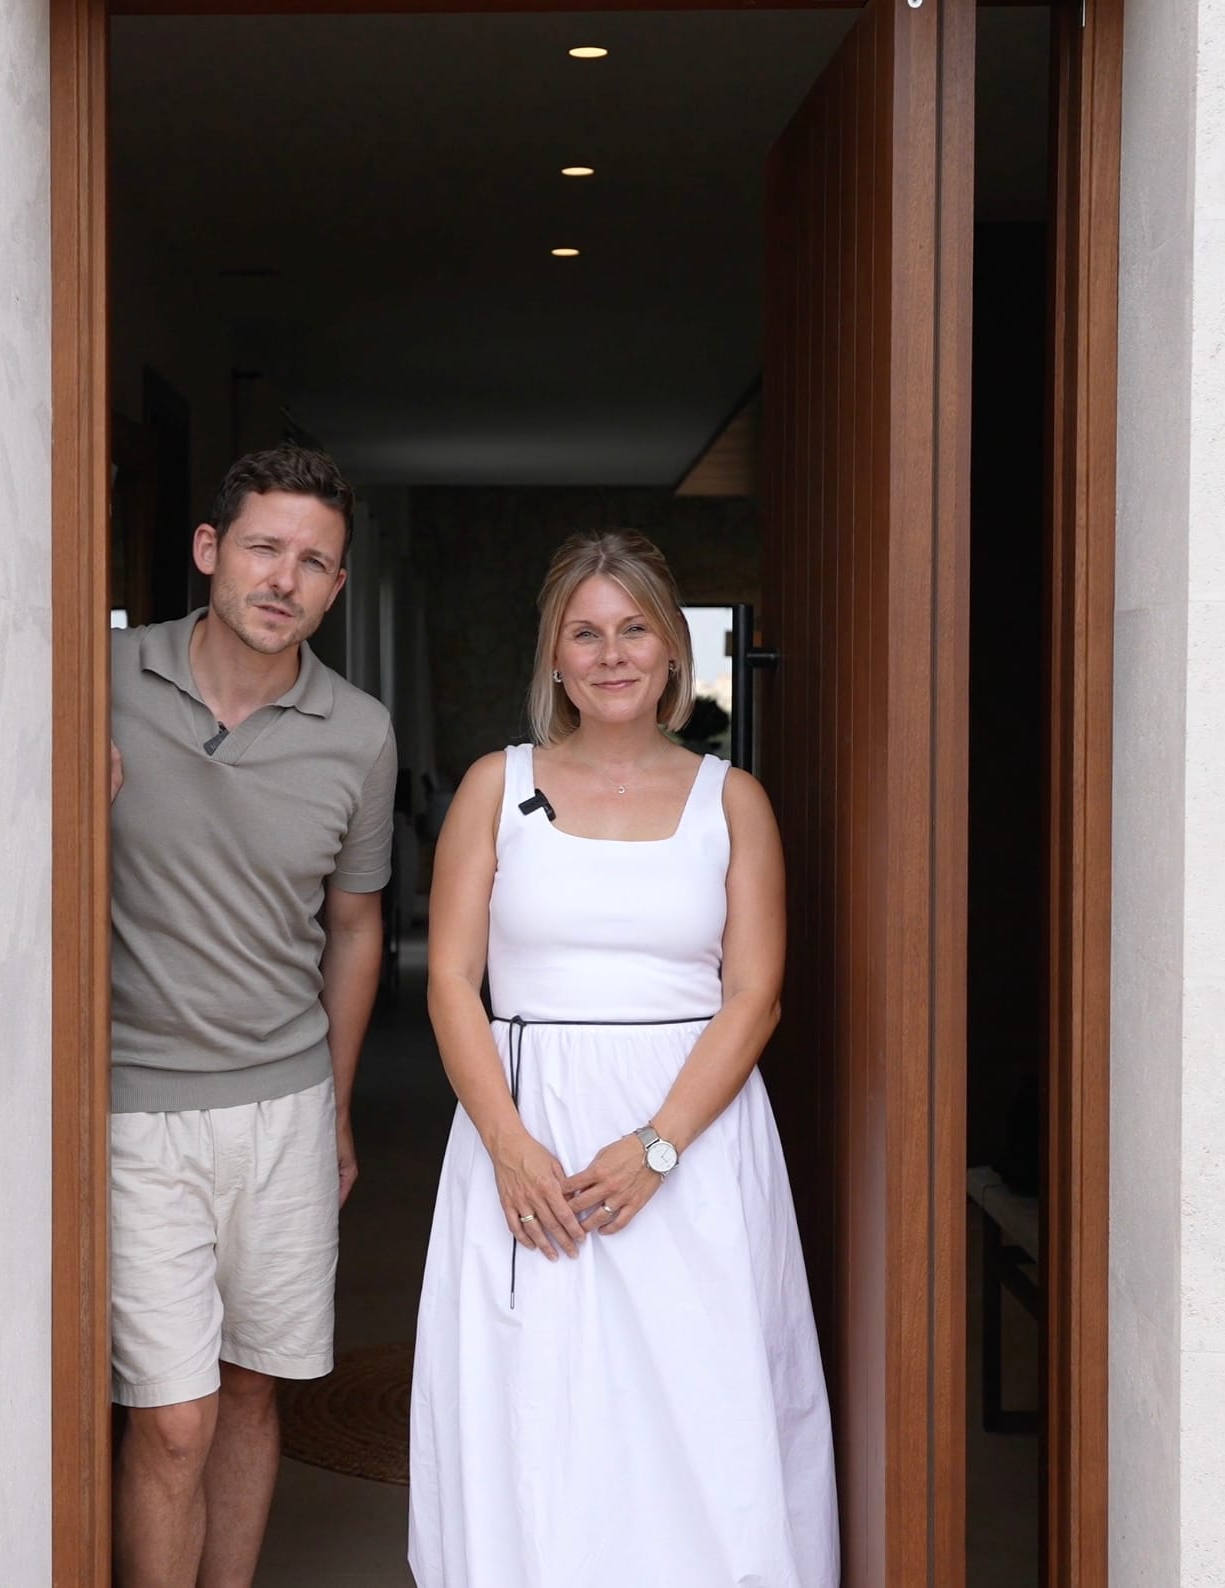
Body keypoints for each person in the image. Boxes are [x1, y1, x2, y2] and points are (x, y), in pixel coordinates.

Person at [408, 531, 837, 1587]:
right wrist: (509, 1145)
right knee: (537, 1407)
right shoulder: (494, 786)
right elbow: (450, 979)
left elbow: (754, 996)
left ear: (672, 648)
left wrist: (656, 1147)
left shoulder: (731, 800)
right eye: (585, 633)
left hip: (690, 1136)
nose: (611, 654)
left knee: (700, 1405)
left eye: (633, 629)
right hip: (529, 1135)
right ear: (553, 657)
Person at [107, 444, 396, 1588]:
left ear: (335, 586)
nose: (284, 578)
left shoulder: (358, 732)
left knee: (248, 1388)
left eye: (313, 561)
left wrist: (337, 1104)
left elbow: (356, 925)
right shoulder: (101, 678)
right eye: (264, 547)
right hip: (134, 1106)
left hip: (284, 1107)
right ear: (208, 549)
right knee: (172, 1416)